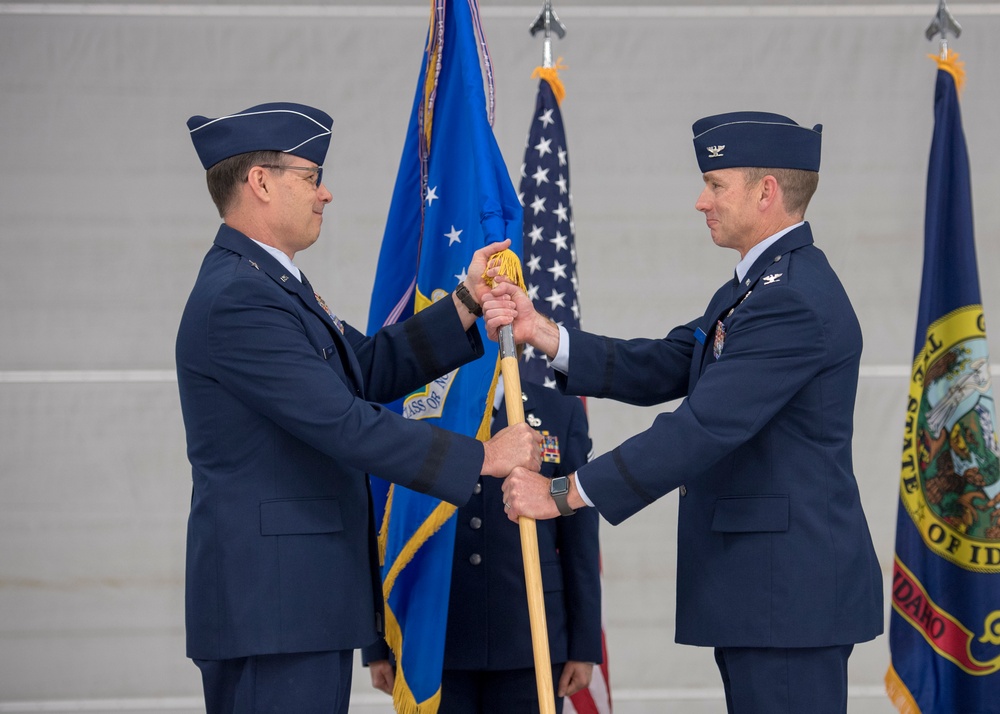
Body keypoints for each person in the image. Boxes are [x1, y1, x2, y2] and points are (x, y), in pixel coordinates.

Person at [485, 111, 884, 714]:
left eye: (716, 184)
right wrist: (544, 333)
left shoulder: (791, 300)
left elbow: (704, 426)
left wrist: (566, 493)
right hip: (768, 594)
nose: (702, 201)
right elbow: (669, 363)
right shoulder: (757, 288)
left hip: (786, 598)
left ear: (766, 191)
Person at [175, 102, 542, 714]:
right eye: (310, 177)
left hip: (294, 604)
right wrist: (482, 456)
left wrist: (465, 304)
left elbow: (364, 368)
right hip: (274, 607)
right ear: (260, 183)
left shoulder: (270, 286)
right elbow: (342, 423)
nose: (325, 195)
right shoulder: (241, 299)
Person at [363, 378, 602, 713]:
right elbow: (380, 523)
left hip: (529, 637)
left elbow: (580, 538)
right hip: (435, 637)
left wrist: (584, 645)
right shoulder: (417, 409)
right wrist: (377, 645)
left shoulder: (559, 409)